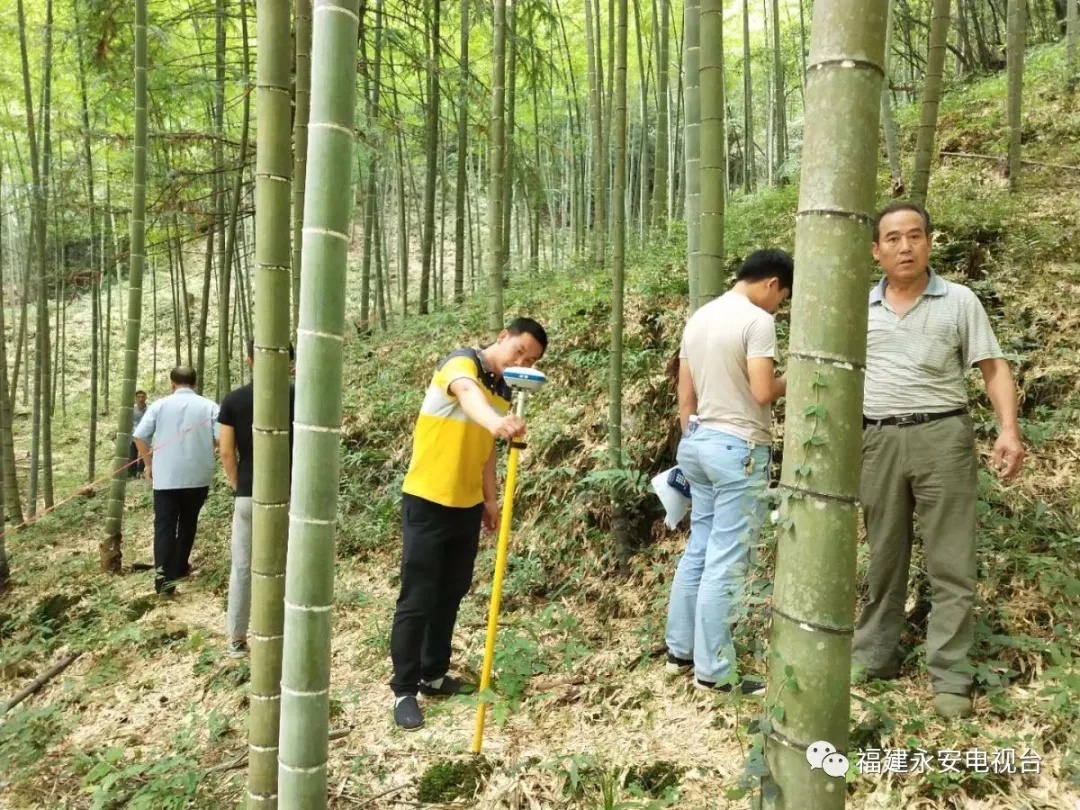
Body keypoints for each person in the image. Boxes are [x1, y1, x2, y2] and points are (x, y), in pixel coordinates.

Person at [852, 202, 1026, 719]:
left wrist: (1009, 430)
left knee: (951, 561)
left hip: (943, 435)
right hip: (877, 440)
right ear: (876, 250)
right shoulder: (858, 307)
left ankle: (949, 676)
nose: (905, 247)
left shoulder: (959, 300)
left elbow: (993, 368)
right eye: (893, 239)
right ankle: (874, 657)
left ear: (929, 241)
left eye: (914, 236)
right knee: (884, 556)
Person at [389, 317, 548, 730]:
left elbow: (487, 447)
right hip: (427, 499)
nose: (522, 362)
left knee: (452, 592)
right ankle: (403, 689)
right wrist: (497, 422)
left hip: (467, 506)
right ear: (502, 337)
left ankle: (433, 674)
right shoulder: (461, 365)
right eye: (519, 351)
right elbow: (467, 397)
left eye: (531, 360)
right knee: (417, 597)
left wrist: (491, 500)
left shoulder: (503, 389)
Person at [665, 249, 793, 694]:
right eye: (783, 297)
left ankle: (680, 649)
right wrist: (800, 374)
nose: (779, 306)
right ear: (772, 283)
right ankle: (715, 670)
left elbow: (686, 395)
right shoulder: (757, 320)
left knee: (699, 547)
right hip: (738, 449)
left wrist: (693, 443)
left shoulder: (700, 317)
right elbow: (762, 391)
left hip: (697, 444)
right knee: (725, 558)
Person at [218, 340, 296, 658]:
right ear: (289, 363)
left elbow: (225, 451)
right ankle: (289, 631)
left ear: (250, 361)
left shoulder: (234, 400)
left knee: (243, 567)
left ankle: (237, 638)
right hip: (292, 495)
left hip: (249, 494)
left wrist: (240, 485)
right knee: (291, 565)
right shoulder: (299, 395)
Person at [133, 366, 220, 596]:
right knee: (189, 521)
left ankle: (164, 583)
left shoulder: (159, 406)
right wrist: (212, 448)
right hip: (198, 475)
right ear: (195, 382)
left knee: (164, 527)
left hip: (165, 477)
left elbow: (139, 436)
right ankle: (180, 565)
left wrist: (148, 464)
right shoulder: (209, 406)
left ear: (172, 383)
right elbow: (222, 437)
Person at [129, 390, 148, 477]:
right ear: (135, 398)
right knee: (132, 455)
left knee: (144, 454)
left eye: (142, 397)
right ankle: (131, 473)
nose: (141, 399)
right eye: (139, 397)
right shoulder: (131, 409)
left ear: (146, 398)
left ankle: (140, 472)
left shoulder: (149, 409)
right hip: (133, 436)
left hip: (145, 436)